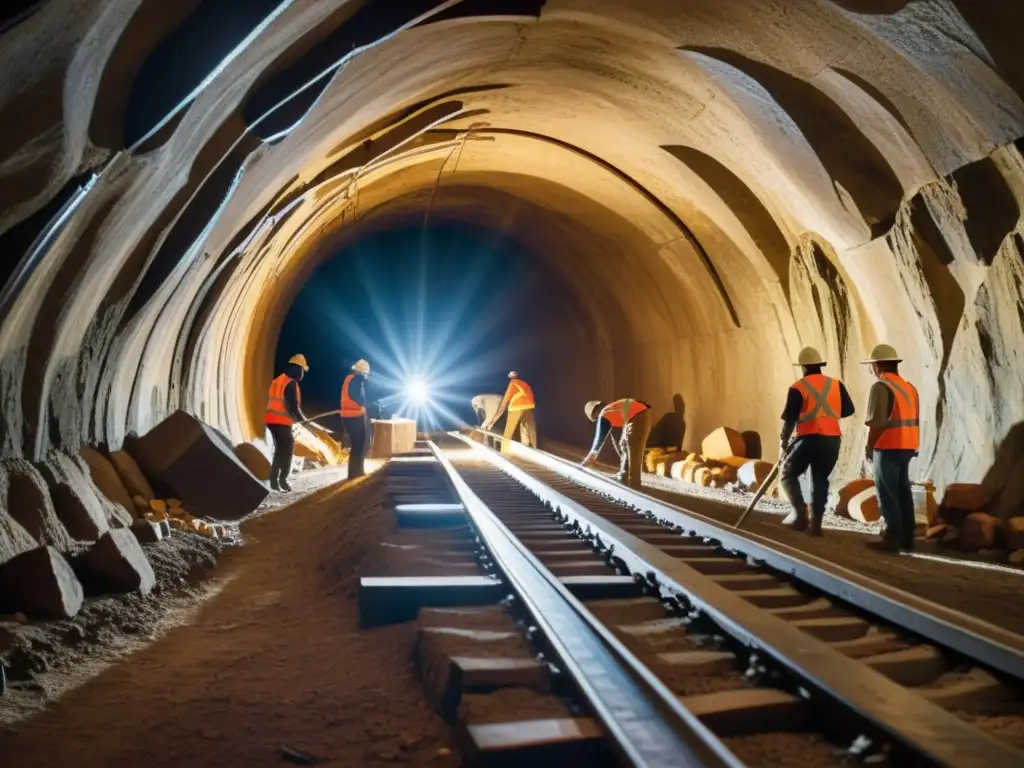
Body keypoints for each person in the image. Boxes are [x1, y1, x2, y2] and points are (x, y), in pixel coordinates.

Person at [778, 346, 855, 536]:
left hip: (808, 438)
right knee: (820, 479)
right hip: (832, 440)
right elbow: (848, 410)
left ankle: (801, 514)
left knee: (788, 474)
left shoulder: (798, 387)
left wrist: (784, 440)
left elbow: (790, 419)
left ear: (803, 367)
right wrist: (828, 416)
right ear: (820, 366)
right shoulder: (836, 384)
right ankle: (817, 525)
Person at [862, 344, 920, 552]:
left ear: (877, 366)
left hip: (887, 446)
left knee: (887, 492)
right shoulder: (908, 387)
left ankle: (892, 535)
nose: (871, 369)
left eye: (871, 365)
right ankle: (907, 538)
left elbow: (877, 422)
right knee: (903, 491)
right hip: (907, 445)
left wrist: (869, 447)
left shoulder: (881, 386)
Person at [581, 398, 653, 490]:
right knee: (624, 443)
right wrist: (622, 447)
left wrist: (591, 455)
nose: (597, 420)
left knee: (633, 450)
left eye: (595, 418)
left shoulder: (604, 413)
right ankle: (623, 476)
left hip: (639, 415)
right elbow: (615, 439)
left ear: (595, 413)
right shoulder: (612, 409)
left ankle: (634, 486)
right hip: (640, 414)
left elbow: (599, 438)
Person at [264, 354, 309, 492]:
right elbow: (294, 406)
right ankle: (283, 480)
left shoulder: (278, 380)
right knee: (287, 450)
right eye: (301, 370)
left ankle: (273, 481)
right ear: (298, 370)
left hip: (270, 421)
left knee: (279, 450)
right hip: (282, 421)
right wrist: (304, 420)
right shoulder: (291, 384)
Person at [483, 371, 536, 453]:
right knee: (529, 430)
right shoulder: (524, 383)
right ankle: (534, 449)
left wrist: (496, 417)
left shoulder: (512, 383)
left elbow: (505, 402)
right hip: (530, 406)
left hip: (517, 407)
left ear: (510, 378)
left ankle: (504, 451)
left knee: (508, 431)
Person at [340, 359, 371, 480]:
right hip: (354, 417)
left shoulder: (349, 379)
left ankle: (353, 473)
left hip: (348, 416)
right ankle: (357, 473)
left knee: (356, 445)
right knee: (359, 445)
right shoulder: (357, 380)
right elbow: (356, 396)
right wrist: (365, 403)